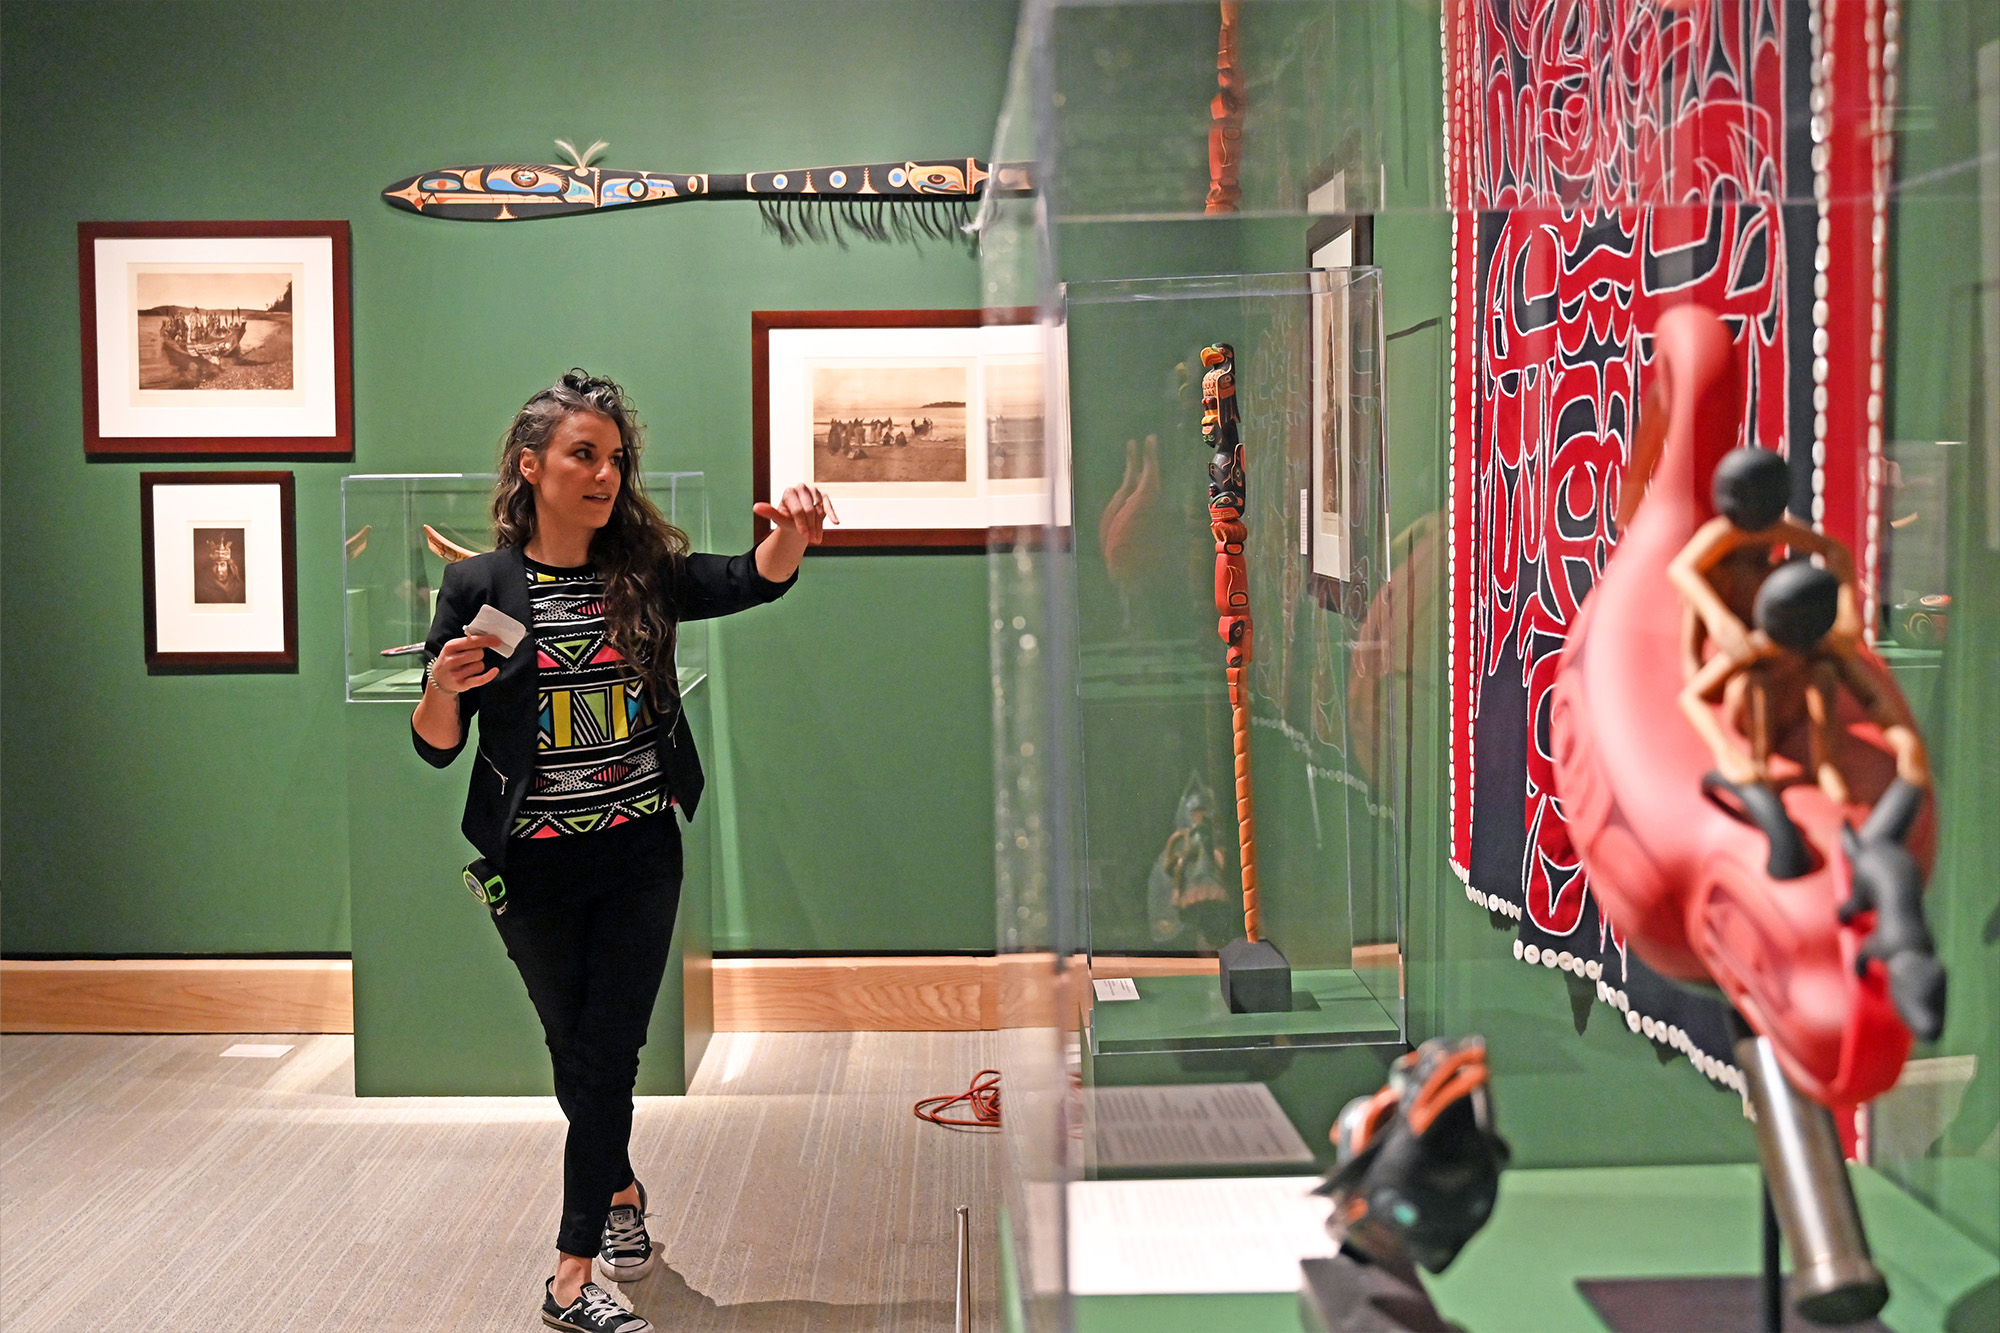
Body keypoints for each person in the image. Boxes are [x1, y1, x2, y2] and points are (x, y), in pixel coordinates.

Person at [412, 370, 835, 1333]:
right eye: (583, 455)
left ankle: (570, 1274)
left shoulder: (641, 572)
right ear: (532, 467)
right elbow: (439, 743)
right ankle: (621, 1192)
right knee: (576, 1050)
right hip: (532, 865)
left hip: (641, 850)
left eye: (614, 458)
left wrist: (789, 540)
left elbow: (746, 578)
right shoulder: (479, 585)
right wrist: (442, 683)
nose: (605, 474)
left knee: (610, 1050)